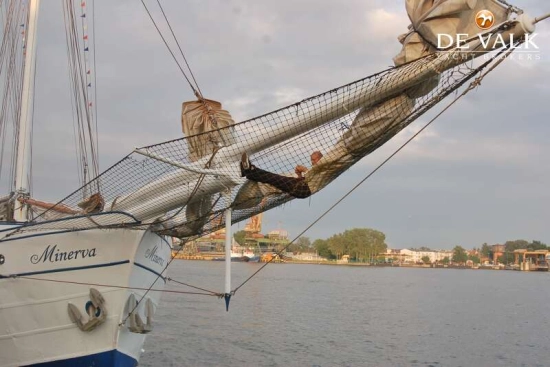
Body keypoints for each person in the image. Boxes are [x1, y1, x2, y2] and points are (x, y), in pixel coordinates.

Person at [237, 151, 323, 202]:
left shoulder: (323, 169)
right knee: (273, 178)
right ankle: (248, 172)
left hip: (303, 189)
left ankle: (250, 170)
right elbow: (309, 180)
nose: (312, 162)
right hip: (300, 186)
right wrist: (299, 174)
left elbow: (315, 181)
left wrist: (304, 170)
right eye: (311, 159)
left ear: (320, 159)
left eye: (314, 159)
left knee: (274, 178)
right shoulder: (315, 169)